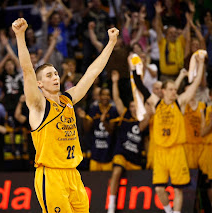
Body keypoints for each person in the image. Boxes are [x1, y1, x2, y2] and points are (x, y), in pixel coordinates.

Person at [12, 17, 119, 212]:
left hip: (73, 174)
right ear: (40, 84)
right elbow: (27, 70)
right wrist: (20, 36)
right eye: (49, 75)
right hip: (51, 176)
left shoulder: (68, 100)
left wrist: (110, 43)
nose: (55, 77)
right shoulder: (38, 106)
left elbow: (92, 72)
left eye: (56, 73)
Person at [132, 51, 206, 213]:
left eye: (175, 89)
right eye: (171, 89)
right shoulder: (156, 103)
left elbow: (194, 85)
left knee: (178, 189)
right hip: (160, 152)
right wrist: (134, 67)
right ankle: (168, 211)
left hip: (177, 151)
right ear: (164, 91)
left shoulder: (180, 102)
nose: (174, 92)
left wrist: (200, 64)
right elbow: (140, 85)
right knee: (159, 189)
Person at [107, 70, 152, 213]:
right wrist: (115, 82)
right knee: (116, 172)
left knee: (136, 182)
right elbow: (117, 98)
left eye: (135, 106)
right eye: (131, 106)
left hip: (135, 157)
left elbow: (150, 110)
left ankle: (134, 206)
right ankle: (112, 205)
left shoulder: (142, 122)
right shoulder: (125, 114)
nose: (133, 108)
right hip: (122, 153)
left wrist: (140, 82)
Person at [78, 88, 118, 171]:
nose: (105, 97)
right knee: (94, 181)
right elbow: (87, 129)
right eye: (103, 95)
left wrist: (104, 122)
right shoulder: (94, 109)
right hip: (95, 154)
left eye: (107, 95)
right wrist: (84, 118)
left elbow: (111, 131)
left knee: (107, 182)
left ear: (110, 97)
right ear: (99, 97)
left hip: (108, 155)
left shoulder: (113, 110)